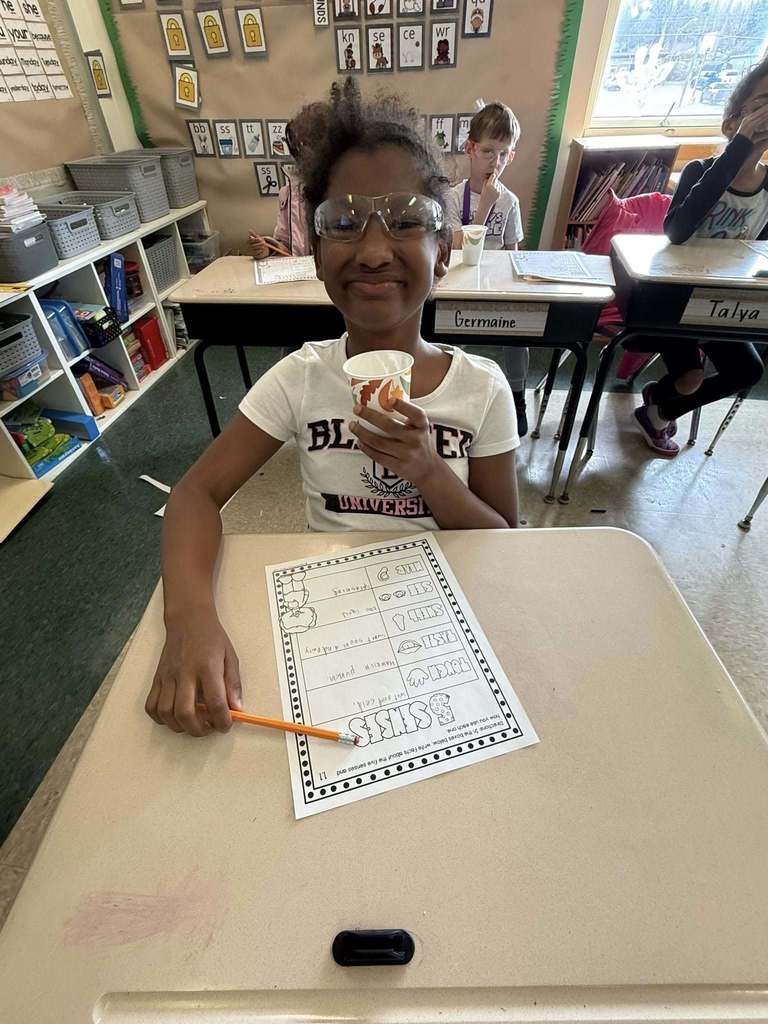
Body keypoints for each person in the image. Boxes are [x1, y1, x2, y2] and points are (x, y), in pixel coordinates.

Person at [146, 78, 520, 738]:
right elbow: (195, 494)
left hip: (448, 620)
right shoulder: (301, 379)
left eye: (406, 221)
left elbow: (506, 546)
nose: (374, 250)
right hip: (335, 619)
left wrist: (430, 474)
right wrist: (190, 618)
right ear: (315, 256)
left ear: (445, 250)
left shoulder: (482, 389)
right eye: (343, 223)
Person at [633, 59, 768, 455]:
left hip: (725, 301)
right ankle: (661, 405)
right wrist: (740, 146)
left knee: (749, 369)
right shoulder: (701, 170)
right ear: (732, 121)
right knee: (691, 376)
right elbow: (677, 231)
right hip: (673, 298)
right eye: (760, 104)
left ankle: (658, 405)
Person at [445, 101, 529, 436]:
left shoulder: (510, 201)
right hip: (458, 283)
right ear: (470, 149)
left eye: (503, 154)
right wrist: (484, 209)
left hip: (495, 287)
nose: (495, 162)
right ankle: (454, 394)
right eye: (488, 152)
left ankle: (518, 395)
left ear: (511, 155)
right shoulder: (452, 197)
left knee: (520, 333)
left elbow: (513, 254)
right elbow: (454, 247)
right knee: (450, 337)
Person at [248, 104, 327, 259]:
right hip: (302, 278)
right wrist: (268, 249)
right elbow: (285, 243)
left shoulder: (344, 186)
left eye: (311, 144)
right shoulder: (290, 192)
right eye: (298, 146)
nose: (305, 153)